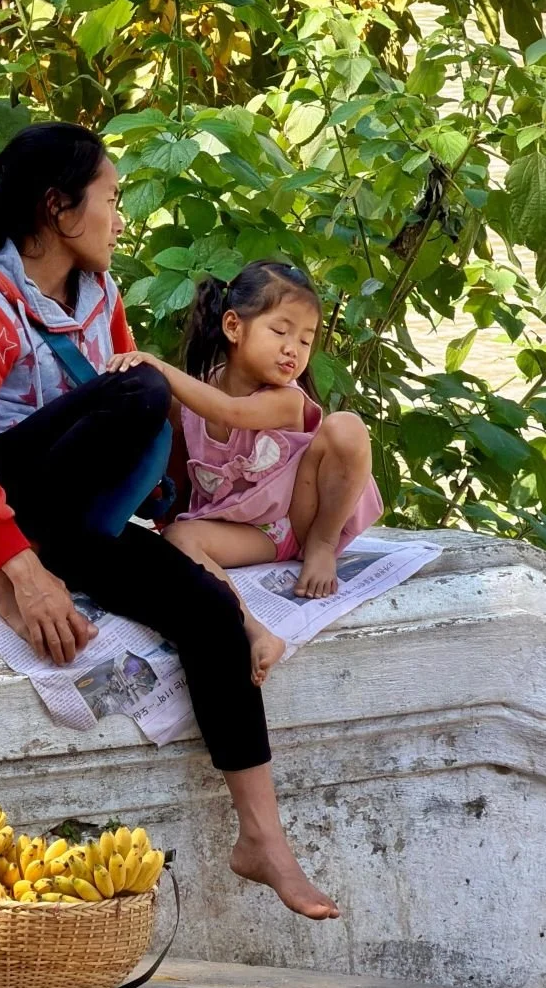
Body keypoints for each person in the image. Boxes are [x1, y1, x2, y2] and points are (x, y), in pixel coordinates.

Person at [0, 125, 340, 920]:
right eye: (111, 198)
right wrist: (23, 571)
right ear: (59, 210)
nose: (121, 217)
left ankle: (262, 839)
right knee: (140, 389)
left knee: (207, 614)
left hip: (65, 518)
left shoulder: (100, 298)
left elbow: (134, 447)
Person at [109, 261, 382, 680]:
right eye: (281, 331)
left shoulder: (284, 400)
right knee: (179, 536)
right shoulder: (194, 400)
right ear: (234, 327)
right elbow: (177, 472)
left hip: (296, 516)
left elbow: (233, 412)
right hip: (251, 534)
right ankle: (254, 630)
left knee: (347, 427)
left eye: (306, 340)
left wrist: (159, 369)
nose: (294, 349)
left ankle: (322, 547)